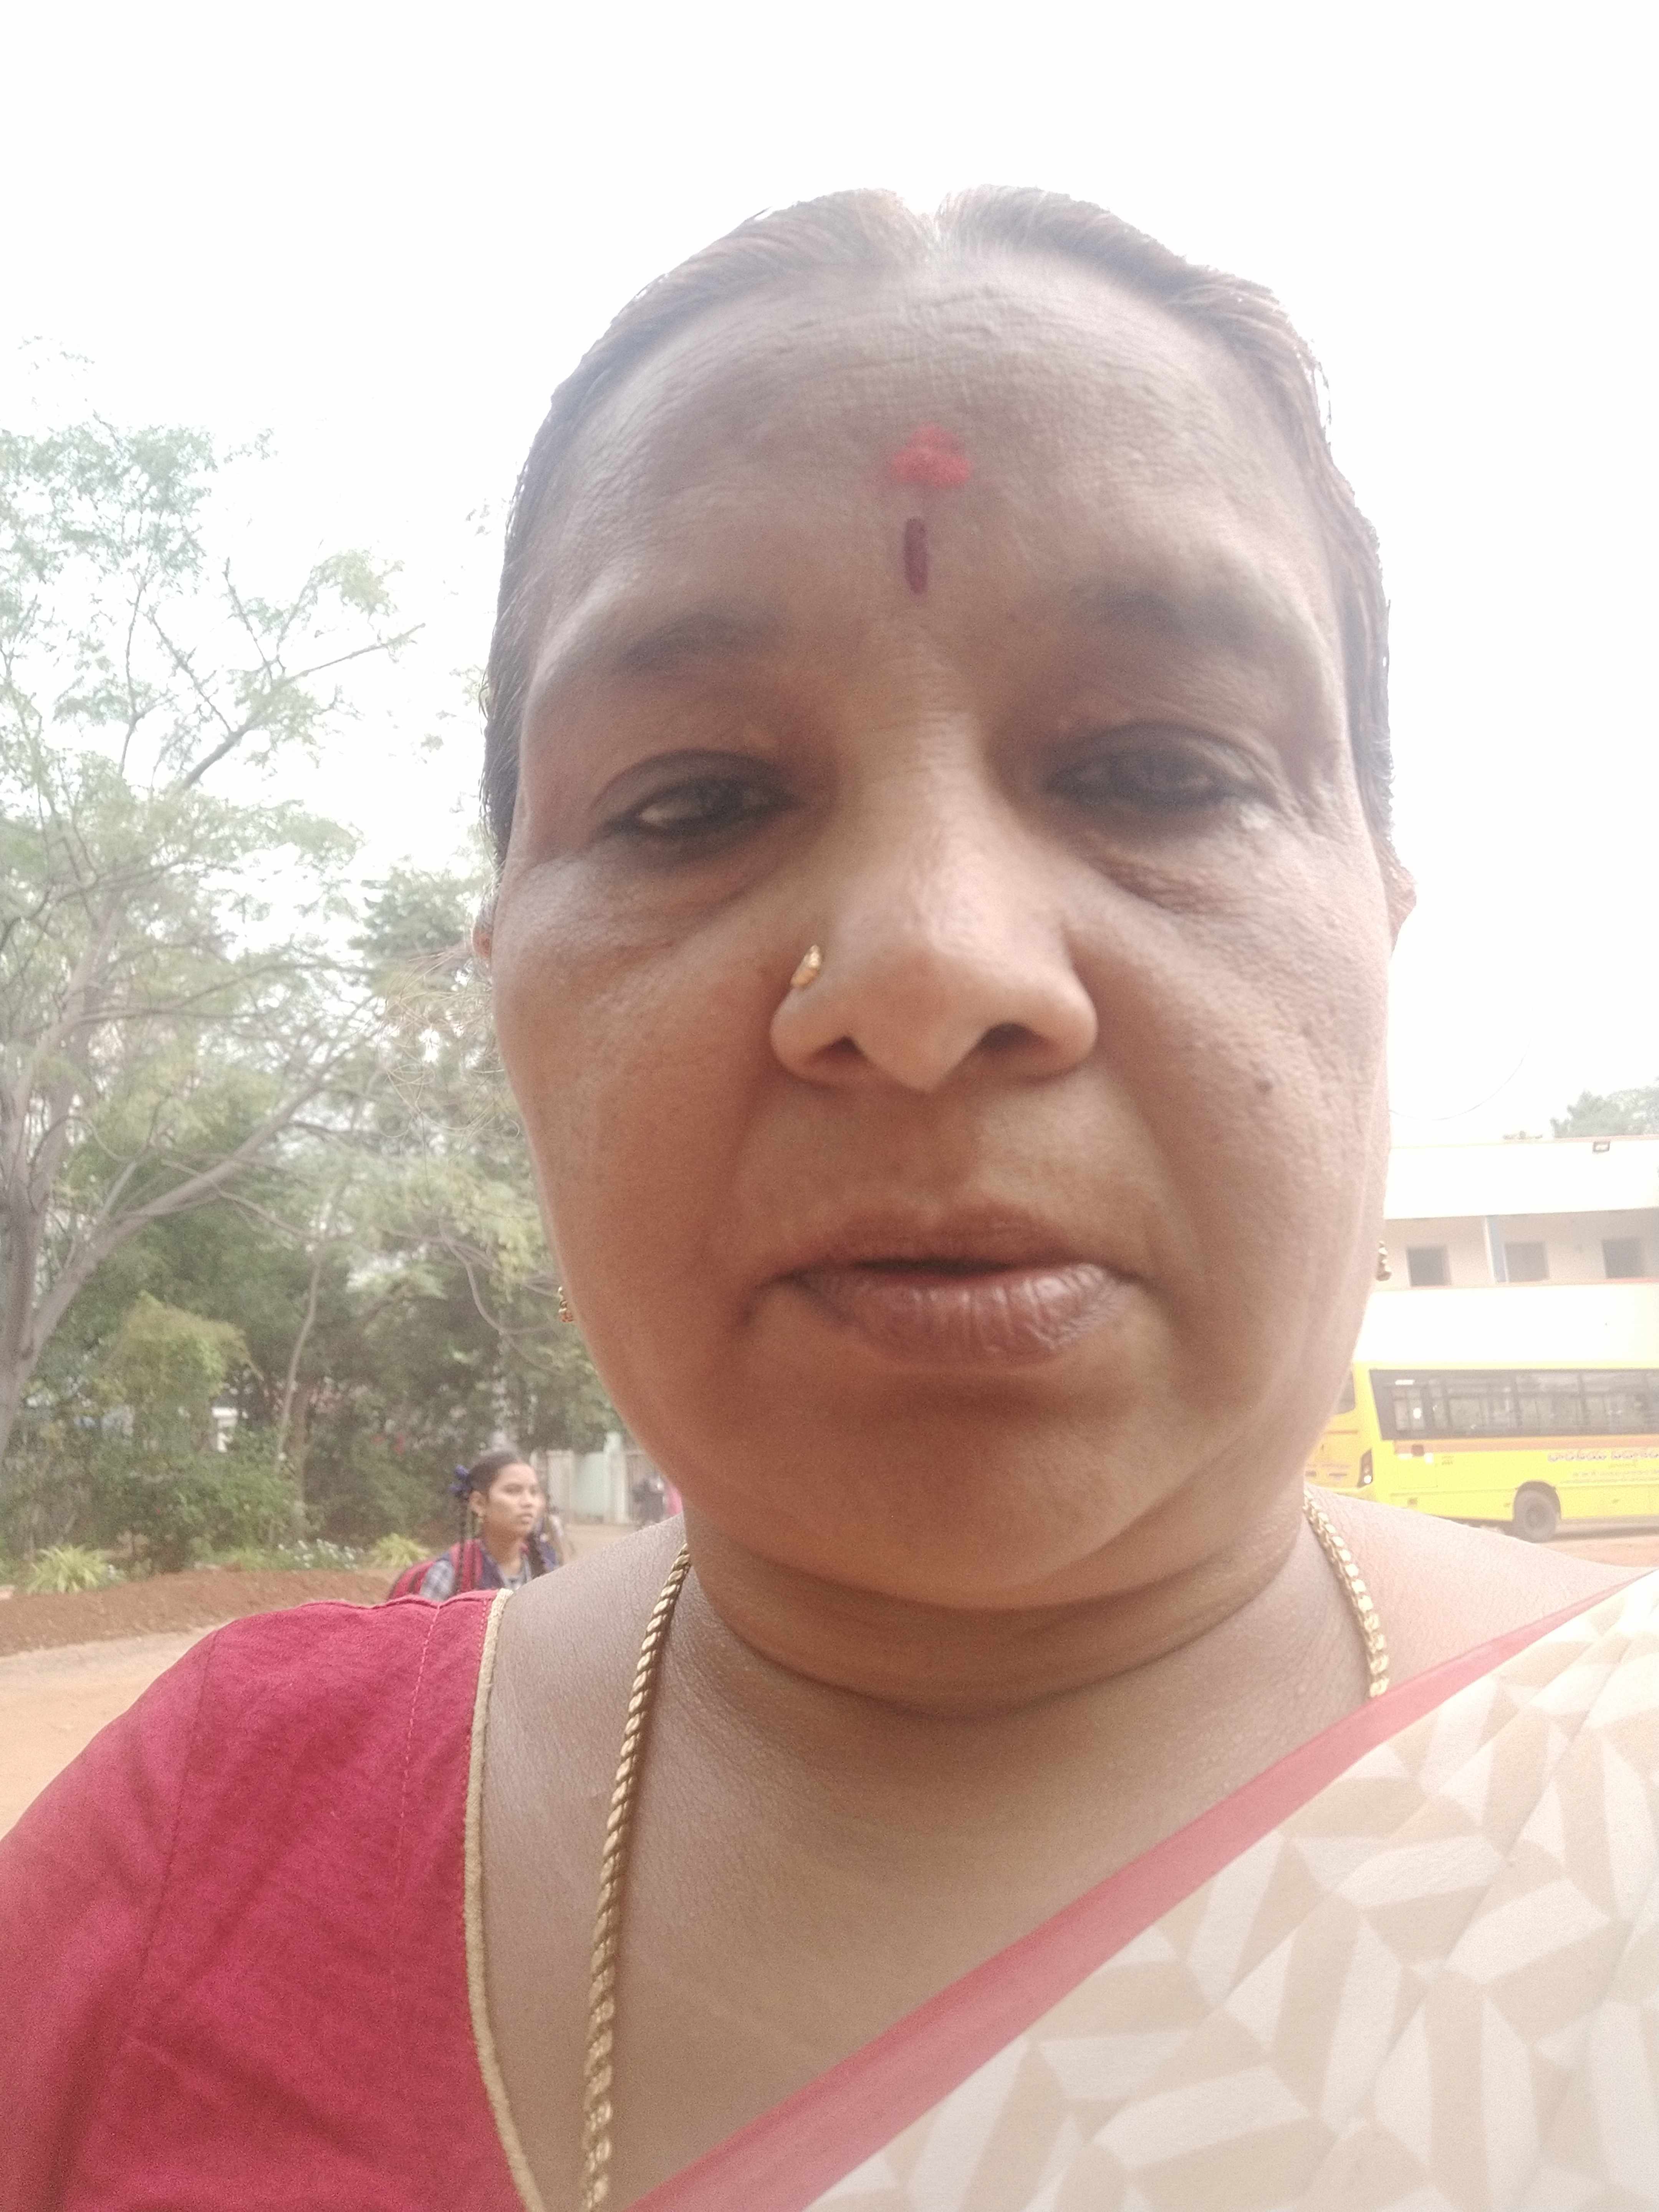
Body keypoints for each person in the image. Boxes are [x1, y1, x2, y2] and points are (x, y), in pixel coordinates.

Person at [3, 188, 1656, 2212]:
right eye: (693, 802)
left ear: (1378, 919)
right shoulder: (192, 1871)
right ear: (503, 971)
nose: (928, 970)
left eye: (1156, 771)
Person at [388, 1450, 565, 1599]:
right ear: (479, 1504)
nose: (529, 1502)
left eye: (534, 1492)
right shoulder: (450, 1574)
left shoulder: (547, 1570)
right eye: (513, 1491)